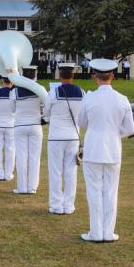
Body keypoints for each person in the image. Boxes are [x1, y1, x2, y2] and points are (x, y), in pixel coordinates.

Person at [77, 58, 134, 242]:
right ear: (112, 75)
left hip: (93, 148)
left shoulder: (89, 97)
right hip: (113, 149)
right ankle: (108, 232)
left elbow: (82, 122)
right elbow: (130, 129)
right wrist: (115, 133)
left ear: (95, 76)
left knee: (94, 191)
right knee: (110, 191)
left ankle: (96, 232)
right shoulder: (122, 99)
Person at [43, 63, 84, 215]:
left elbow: (46, 113)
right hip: (73, 137)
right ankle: (69, 206)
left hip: (56, 137)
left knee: (55, 171)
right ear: (73, 75)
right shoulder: (82, 92)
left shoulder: (53, 93)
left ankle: (56, 205)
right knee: (71, 172)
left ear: (60, 75)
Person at [12, 66, 44, 195]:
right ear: (35, 74)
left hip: (20, 125)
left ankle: (22, 187)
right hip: (35, 124)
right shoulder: (40, 89)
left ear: (22, 75)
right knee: (34, 157)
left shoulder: (14, 92)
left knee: (21, 156)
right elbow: (44, 106)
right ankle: (32, 187)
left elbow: (11, 108)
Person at [0, 77, 15, 181]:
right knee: (10, 150)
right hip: (11, 125)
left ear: (2, 80)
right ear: (12, 81)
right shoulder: (14, 93)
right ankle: (8, 174)